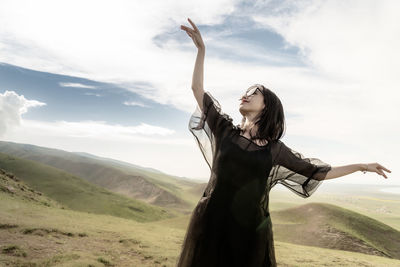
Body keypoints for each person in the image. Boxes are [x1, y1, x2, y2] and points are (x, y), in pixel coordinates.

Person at [178, 18, 392, 267]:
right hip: (211, 221)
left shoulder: (274, 150)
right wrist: (201, 50)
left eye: (253, 93)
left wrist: (361, 166)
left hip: (249, 234)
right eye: (245, 92)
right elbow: (197, 88)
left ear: (267, 105)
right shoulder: (225, 130)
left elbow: (317, 173)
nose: (244, 95)